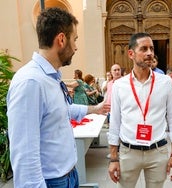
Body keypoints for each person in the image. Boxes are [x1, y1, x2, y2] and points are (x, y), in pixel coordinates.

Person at [6, 8, 110, 188]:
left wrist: (94, 109)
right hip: (53, 181)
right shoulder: (31, 82)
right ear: (61, 39)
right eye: (75, 39)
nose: (76, 47)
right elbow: (24, 154)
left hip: (69, 175)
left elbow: (60, 111)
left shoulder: (50, 76)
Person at [107, 32, 172, 188]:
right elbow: (114, 122)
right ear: (131, 54)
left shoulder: (166, 82)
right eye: (144, 49)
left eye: (151, 48)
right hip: (128, 152)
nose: (150, 53)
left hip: (158, 152)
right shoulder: (120, 85)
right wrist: (114, 158)